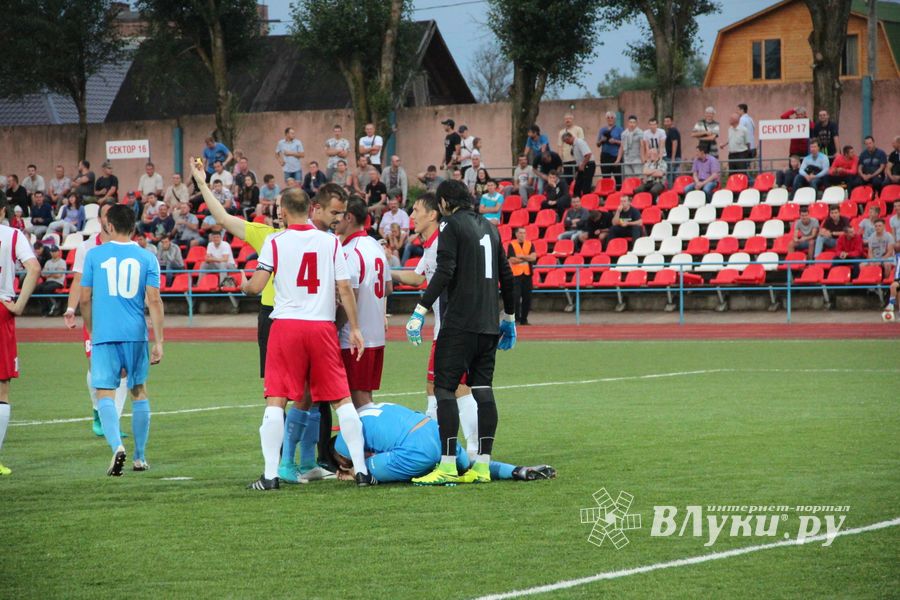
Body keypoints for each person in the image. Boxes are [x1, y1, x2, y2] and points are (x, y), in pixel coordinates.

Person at [241, 186, 373, 490]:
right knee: (342, 399)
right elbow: (344, 288)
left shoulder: (275, 241)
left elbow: (257, 286)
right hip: (322, 327)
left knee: (277, 399)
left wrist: (243, 285)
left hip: (286, 327)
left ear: (284, 211)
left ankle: (271, 475)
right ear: (309, 209)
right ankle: (362, 471)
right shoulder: (330, 242)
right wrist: (354, 328)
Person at [405, 179, 517, 486]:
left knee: (444, 389)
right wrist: (509, 317)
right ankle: (483, 465)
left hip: (458, 324)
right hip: (488, 324)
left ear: (443, 204)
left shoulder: (449, 226)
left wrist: (420, 309)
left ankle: (448, 465)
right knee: (483, 390)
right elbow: (507, 276)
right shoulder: (491, 228)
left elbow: (445, 270)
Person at [390, 193, 480, 458]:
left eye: (416, 210)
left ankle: (469, 452)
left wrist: (419, 312)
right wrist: (386, 270)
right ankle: (439, 447)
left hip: (454, 328)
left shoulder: (443, 242)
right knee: (436, 386)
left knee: (456, 387)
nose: (412, 216)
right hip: (447, 327)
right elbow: (418, 278)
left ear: (432, 214)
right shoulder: (432, 245)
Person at [79, 205, 164, 475]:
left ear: (110, 226)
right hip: (136, 334)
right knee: (138, 391)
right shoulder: (148, 257)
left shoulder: (94, 255)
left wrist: (92, 331)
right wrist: (159, 341)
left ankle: (117, 446)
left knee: (104, 392)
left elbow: (84, 298)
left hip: (105, 334)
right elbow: (154, 300)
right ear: (134, 228)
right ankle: (139, 457)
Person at [330, 402, 556, 483]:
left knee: (365, 473)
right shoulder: (367, 410)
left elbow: (358, 467)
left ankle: (431, 468)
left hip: (415, 449)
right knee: (471, 465)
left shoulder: (343, 441)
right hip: (433, 430)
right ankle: (517, 471)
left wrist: (349, 473)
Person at [64, 204, 130, 437]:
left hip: (121, 316)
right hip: (95, 315)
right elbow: (78, 281)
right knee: (97, 366)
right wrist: (71, 308)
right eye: (105, 214)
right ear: (101, 219)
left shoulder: (126, 245)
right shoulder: (87, 247)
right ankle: (97, 411)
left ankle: (113, 420)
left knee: (123, 370)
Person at [335, 196, 391, 410]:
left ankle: (368, 442)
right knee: (364, 395)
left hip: (354, 338)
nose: (335, 219)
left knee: (357, 399)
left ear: (349, 217)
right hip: (375, 334)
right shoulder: (374, 245)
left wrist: (334, 327)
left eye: (338, 214)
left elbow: (351, 294)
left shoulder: (350, 251)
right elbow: (387, 288)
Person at [0, 196, 41, 476]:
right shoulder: (12, 235)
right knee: (2, 387)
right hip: (2, 309)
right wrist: (20, 305)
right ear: (3, 209)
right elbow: (34, 268)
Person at [507, 227, 535, 325]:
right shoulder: (512, 244)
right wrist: (527, 258)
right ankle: (516, 318)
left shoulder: (530, 244)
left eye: (524, 233)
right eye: (520, 233)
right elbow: (512, 260)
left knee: (527, 298)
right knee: (516, 298)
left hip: (527, 275)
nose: (522, 235)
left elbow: (533, 257)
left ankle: (524, 319)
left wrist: (521, 256)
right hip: (516, 275)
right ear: (516, 234)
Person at [34, 244, 66, 316]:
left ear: (58, 252)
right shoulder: (48, 262)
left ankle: (53, 305)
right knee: (38, 288)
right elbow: (43, 274)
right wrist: (53, 273)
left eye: (54, 251)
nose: (53, 253)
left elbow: (59, 275)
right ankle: (45, 308)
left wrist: (49, 273)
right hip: (48, 281)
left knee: (46, 289)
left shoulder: (62, 262)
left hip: (58, 282)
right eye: (52, 251)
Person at [563, 132, 595, 198]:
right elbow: (578, 158)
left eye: (566, 141)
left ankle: (587, 202)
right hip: (581, 166)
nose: (566, 143)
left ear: (570, 138)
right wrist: (578, 170)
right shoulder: (574, 145)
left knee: (586, 186)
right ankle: (577, 201)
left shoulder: (579, 142)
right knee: (577, 186)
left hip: (588, 165)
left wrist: (583, 165)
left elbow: (588, 154)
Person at [558, 113, 585, 185]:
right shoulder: (561, 132)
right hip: (566, 160)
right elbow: (560, 147)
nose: (567, 120)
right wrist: (560, 160)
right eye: (566, 119)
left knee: (579, 179)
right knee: (568, 180)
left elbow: (581, 143)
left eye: (569, 118)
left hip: (577, 159)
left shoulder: (578, 129)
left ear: (572, 119)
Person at [597, 112, 623, 184]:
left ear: (615, 119)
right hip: (605, 156)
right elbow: (597, 144)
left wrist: (615, 141)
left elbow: (624, 143)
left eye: (612, 117)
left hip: (616, 156)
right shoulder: (602, 130)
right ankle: (607, 194)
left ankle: (619, 193)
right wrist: (602, 140)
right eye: (608, 117)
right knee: (606, 178)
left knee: (619, 178)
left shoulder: (620, 129)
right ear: (606, 119)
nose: (610, 119)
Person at [663, 115, 682, 185]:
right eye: (665, 121)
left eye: (668, 121)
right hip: (672, 157)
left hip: (673, 157)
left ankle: (672, 191)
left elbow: (675, 143)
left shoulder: (672, 130)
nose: (666, 123)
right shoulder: (669, 131)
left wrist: (673, 158)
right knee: (672, 175)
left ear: (672, 122)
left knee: (671, 175)